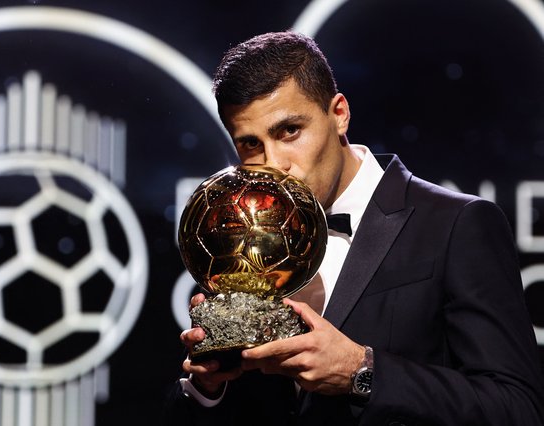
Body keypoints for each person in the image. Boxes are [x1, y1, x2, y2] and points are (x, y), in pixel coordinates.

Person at [163, 31, 544, 425]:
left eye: (289, 131)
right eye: (250, 145)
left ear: (339, 113)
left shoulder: (458, 224)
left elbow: (517, 408)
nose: (274, 163)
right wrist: (209, 387)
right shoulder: (237, 245)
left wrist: (362, 372)